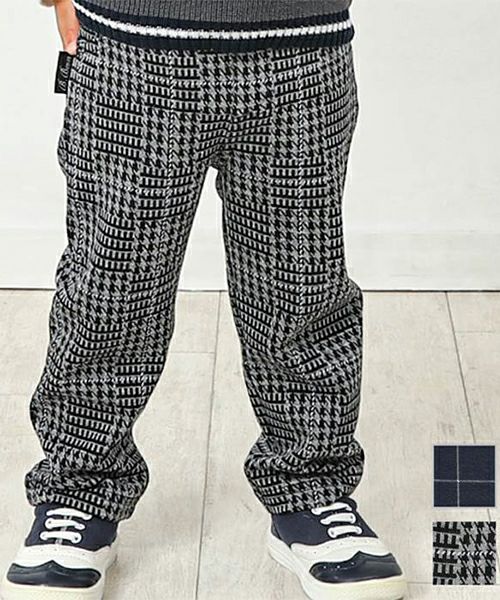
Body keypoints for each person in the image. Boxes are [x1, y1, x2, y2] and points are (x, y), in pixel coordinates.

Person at [1, 1, 407, 599]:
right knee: (109, 290)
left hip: (303, 42)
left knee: (302, 289)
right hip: (131, 42)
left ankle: (312, 486)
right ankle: (77, 491)